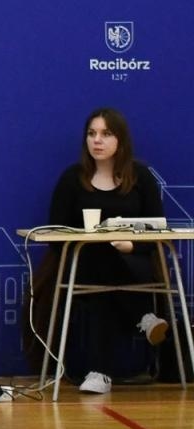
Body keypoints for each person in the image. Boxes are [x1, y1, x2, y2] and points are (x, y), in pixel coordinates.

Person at [42, 107, 170, 395]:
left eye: (105, 134)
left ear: (121, 141)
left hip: (134, 263)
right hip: (83, 263)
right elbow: (54, 233)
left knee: (106, 283)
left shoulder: (141, 178)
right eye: (91, 134)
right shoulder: (72, 178)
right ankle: (144, 317)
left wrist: (132, 244)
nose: (97, 141)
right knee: (100, 265)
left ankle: (100, 374)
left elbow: (158, 231)